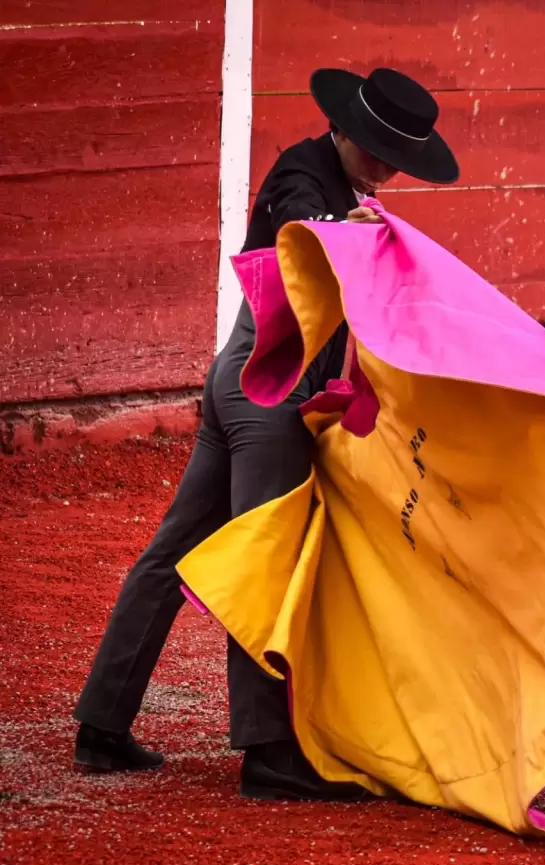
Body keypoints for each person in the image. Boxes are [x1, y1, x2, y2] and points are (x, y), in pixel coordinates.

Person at [72, 66, 460, 801]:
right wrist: (342, 235)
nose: (385, 171)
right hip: (271, 386)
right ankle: (270, 750)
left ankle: (101, 722)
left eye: (395, 160)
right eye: (377, 152)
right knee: (269, 557)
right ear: (345, 129)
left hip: (251, 375)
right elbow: (300, 235)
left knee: (174, 554)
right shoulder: (302, 173)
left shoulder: (349, 187)